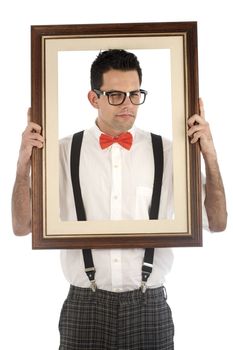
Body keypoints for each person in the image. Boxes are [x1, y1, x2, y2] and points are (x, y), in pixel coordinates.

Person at [12, 49, 227, 350]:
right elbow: (21, 226)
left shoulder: (167, 153)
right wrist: (23, 163)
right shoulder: (61, 153)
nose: (128, 105)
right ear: (93, 98)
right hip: (83, 306)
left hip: (149, 306)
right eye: (115, 95)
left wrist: (210, 154)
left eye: (135, 94)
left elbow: (217, 222)